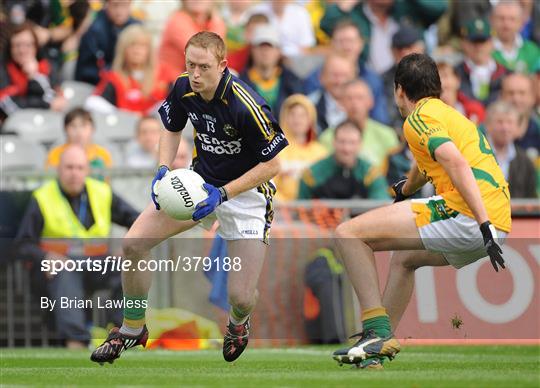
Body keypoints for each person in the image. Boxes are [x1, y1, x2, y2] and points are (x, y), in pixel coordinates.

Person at [90, 31, 287, 364]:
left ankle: (238, 323)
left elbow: (274, 164)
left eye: (204, 67)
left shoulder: (246, 104)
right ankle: (132, 327)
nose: (195, 74)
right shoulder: (183, 86)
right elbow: (171, 128)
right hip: (197, 186)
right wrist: (164, 168)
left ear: (223, 65)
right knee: (134, 243)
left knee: (240, 296)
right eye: (190, 65)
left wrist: (224, 193)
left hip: (247, 196)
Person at [331, 53, 510, 369]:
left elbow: (454, 161)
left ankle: (375, 329)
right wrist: (407, 189)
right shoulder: (447, 114)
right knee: (404, 259)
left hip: (470, 215)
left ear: (399, 90)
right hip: (499, 221)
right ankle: (376, 352)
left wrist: (482, 222)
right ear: (436, 88)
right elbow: (428, 164)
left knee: (348, 234)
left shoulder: (416, 119)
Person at [16, 145, 139, 348]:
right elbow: (22, 245)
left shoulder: (102, 192)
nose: (74, 173)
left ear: (87, 170)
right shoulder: (43, 197)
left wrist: (128, 246)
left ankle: (121, 334)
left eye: (80, 168)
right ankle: (77, 342)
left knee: (129, 267)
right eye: (69, 167)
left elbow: (138, 220)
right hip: (59, 267)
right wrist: (46, 256)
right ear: (58, 169)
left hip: (97, 263)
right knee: (65, 271)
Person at [303, 20, 389, 125]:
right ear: (332, 44)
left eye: (351, 41)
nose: (346, 46)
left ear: (361, 44)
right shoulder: (315, 77)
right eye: (340, 41)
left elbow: (379, 119)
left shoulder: (372, 80)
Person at [86, 24, 173, 116]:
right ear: (123, 50)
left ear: (149, 50)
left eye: (142, 46)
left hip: (157, 128)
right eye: (132, 45)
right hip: (124, 127)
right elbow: (92, 103)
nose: (137, 51)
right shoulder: (114, 78)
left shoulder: (164, 75)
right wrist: (122, 115)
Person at [298, 120, 388, 200]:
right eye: (342, 142)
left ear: (360, 145)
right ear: (333, 142)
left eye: (352, 142)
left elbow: (381, 205)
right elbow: (299, 210)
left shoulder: (371, 174)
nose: (346, 148)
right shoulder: (312, 174)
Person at [319, 79, 399, 167]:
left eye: (359, 98)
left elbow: (395, 171)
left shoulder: (386, 135)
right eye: (349, 98)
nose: (354, 103)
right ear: (341, 103)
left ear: (371, 101)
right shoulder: (328, 138)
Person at [0, 23, 66, 121]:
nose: (22, 50)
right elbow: (7, 104)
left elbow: (55, 99)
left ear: (36, 47)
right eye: (17, 45)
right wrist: (46, 105)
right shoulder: (3, 70)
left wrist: (34, 75)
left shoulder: (47, 67)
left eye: (27, 45)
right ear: (10, 49)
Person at [240, 24, 304, 117]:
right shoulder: (240, 83)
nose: (265, 52)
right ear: (252, 50)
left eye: (270, 46)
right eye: (261, 46)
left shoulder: (293, 82)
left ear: (279, 51)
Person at [273, 94, 327, 201]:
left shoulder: (321, 152)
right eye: (292, 114)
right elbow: (270, 185)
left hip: (315, 212)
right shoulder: (275, 150)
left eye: (303, 115)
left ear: (311, 119)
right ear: (285, 117)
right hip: (282, 212)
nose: (297, 120)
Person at [75, 0, 140, 85]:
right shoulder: (94, 28)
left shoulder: (137, 27)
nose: (119, 11)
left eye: (124, 5)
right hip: (98, 84)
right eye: (115, 5)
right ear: (106, 4)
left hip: (130, 83)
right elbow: (87, 70)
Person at [158, 0, 226, 80]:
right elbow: (202, 52)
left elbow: (221, 54)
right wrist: (217, 21)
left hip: (198, 79)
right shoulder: (177, 20)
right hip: (173, 82)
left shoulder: (213, 21)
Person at [485, 100, 537, 198]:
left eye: (510, 122)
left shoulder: (525, 161)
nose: (505, 128)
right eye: (500, 122)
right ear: (488, 125)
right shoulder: (477, 155)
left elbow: (531, 199)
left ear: (517, 127)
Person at [455, 17, 508, 106]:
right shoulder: (456, 72)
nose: (479, 47)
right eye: (474, 42)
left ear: (492, 43)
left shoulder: (505, 73)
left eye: (483, 42)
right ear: (464, 44)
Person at [382, 24, 425, 130]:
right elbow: (387, 113)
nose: (404, 52)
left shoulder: (436, 72)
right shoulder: (384, 79)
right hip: (399, 133)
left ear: (421, 47)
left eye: (409, 47)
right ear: (392, 50)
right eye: (399, 48)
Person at [46, 107, 113, 173]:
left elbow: (108, 181)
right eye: (73, 126)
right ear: (65, 129)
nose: (78, 131)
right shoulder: (55, 154)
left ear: (93, 128)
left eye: (83, 126)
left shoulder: (102, 155)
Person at [246, 0, 315, 57]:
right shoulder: (257, 11)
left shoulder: (301, 13)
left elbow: (306, 47)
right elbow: (250, 39)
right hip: (263, 57)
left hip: (295, 60)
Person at [308, 53, 356, 133]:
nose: (339, 81)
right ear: (321, 77)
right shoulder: (308, 105)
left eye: (344, 75)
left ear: (354, 77)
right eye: (334, 75)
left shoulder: (364, 106)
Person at [491, 1, 540, 73]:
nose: (506, 24)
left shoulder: (532, 50)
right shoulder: (482, 50)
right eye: (501, 18)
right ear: (491, 20)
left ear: (521, 23)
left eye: (512, 19)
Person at [500, 72, 540, 159]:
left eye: (522, 93)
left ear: (533, 97)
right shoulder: (487, 132)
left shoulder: (538, 130)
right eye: (510, 93)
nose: (516, 99)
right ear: (501, 96)